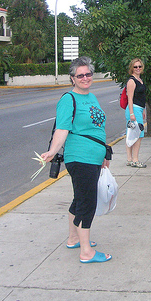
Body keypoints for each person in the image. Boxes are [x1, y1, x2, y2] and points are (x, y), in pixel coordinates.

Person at [41, 56, 112, 264]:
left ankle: (74, 238)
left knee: (79, 198)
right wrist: (52, 151)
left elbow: (97, 129)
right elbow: (62, 128)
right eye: (80, 75)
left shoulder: (91, 97)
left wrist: (104, 153)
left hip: (94, 156)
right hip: (80, 158)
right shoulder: (68, 99)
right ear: (72, 78)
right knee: (87, 203)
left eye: (88, 74)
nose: (85, 78)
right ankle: (86, 252)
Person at [125, 58, 147, 168]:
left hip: (138, 109)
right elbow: (130, 98)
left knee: (132, 134)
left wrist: (143, 110)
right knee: (138, 135)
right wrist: (132, 113)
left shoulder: (139, 80)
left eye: (139, 66)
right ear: (131, 68)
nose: (138, 68)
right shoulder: (131, 81)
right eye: (135, 67)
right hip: (133, 109)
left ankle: (130, 159)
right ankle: (135, 159)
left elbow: (141, 97)